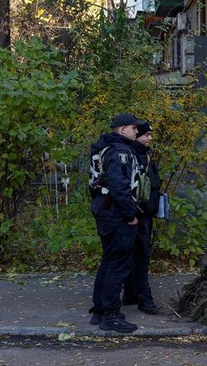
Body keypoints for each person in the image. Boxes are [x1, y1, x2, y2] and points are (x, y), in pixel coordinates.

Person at [88, 112, 145, 333]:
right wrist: (130, 215)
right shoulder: (119, 151)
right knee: (118, 265)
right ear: (122, 130)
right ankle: (110, 315)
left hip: (105, 211)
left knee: (109, 261)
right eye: (133, 128)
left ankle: (100, 310)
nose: (136, 132)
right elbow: (119, 187)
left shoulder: (104, 148)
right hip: (116, 214)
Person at [122, 121, 162, 315]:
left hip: (144, 211)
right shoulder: (133, 156)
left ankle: (130, 293)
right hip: (138, 213)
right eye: (145, 135)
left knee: (134, 254)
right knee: (140, 255)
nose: (149, 138)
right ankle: (144, 298)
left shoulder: (143, 154)